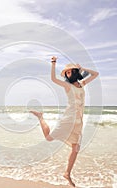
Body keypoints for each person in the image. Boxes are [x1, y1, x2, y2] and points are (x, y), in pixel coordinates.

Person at [30, 56, 99, 187]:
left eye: (70, 71)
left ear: (75, 72)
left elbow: (96, 74)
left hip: (79, 120)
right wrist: (53, 63)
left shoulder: (81, 84)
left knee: (76, 148)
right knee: (49, 138)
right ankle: (41, 117)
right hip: (68, 118)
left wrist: (82, 68)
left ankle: (67, 173)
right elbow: (53, 79)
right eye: (66, 72)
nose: (68, 74)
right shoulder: (67, 86)